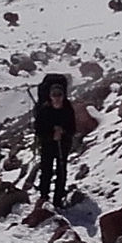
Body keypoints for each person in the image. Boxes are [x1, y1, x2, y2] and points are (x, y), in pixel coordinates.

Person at [32, 73, 74, 207]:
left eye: (59, 95)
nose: (57, 98)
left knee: (62, 170)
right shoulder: (44, 110)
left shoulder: (68, 109)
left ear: (63, 95)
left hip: (63, 143)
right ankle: (44, 196)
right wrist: (51, 135)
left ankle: (58, 198)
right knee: (46, 169)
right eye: (54, 95)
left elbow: (72, 128)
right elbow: (39, 129)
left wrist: (63, 132)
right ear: (50, 96)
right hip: (48, 144)